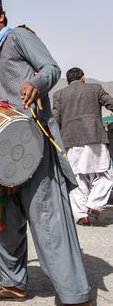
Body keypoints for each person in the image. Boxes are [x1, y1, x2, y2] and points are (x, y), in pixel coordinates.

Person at [0, 0, 96, 306]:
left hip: (32, 144)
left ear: (1, 17)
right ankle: (13, 283)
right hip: (4, 152)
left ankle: (78, 301)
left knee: (48, 220)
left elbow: (51, 68)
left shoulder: (19, 37)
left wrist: (35, 83)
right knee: (2, 221)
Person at [52, 67, 113, 225]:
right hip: (95, 137)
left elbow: (55, 120)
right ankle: (95, 204)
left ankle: (81, 216)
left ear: (68, 79)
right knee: (105, 175)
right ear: (83, 77)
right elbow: (110, 103)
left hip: (70, 141)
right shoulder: (95, 88)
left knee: (77, 178)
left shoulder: (59, 94)